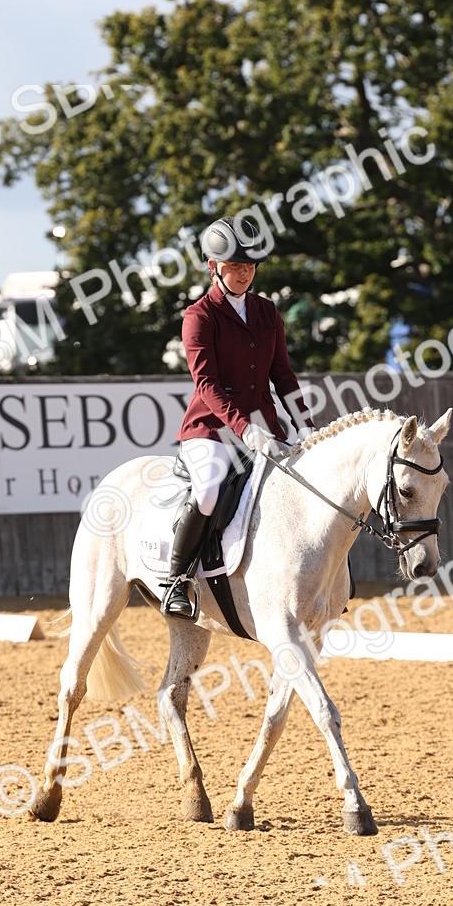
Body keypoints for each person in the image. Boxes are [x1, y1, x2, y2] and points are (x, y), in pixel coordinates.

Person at [161, 215, 314, 618]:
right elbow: (207, 383)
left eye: (249, 266)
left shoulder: (267, 312)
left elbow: (282, 374)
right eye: (235, 266)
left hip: (266, 427)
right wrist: (244, 429)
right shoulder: (199, 316)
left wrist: (306, 425)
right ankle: (176, 580)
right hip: (211, 430)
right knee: (210, 488)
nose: (244, 273)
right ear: (214, 267)